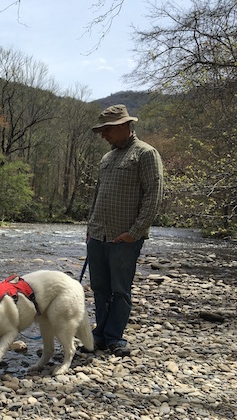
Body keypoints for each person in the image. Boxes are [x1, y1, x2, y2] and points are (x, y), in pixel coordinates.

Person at [86, 104, 164, 357]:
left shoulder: (146, 154)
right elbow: (98, 195)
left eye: (106, 129)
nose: (103, 134)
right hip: (98, 234)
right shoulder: (106, 158)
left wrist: (136, 232)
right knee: (99, 288)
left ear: (124, 126)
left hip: (125, 237)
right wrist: (90, 228)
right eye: (101, 130)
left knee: (120, 289)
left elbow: (154, 196)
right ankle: (99, 335)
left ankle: (114, 337)